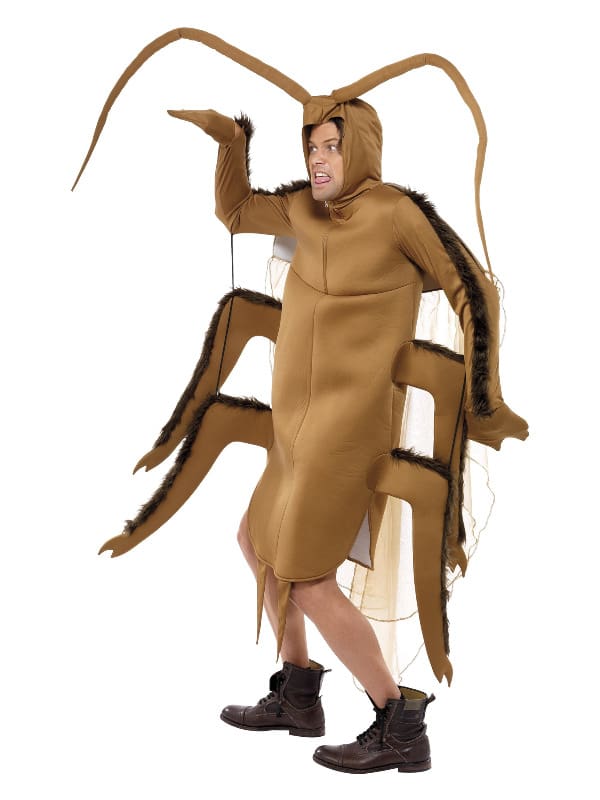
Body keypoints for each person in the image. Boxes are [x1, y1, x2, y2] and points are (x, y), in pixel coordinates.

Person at [73, 30, 528, 775]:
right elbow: (235, 211)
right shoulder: (299, 211)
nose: (318, 158)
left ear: (361, 148)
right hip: (292, 426)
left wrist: (484, 395)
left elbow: (471, 287)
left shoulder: (396, 215)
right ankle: (299, 692)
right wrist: (233, 141)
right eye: (311, 146)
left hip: (348, 431)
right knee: (256, 543)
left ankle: (399, 723)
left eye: (331, 146)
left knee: (308, 574)